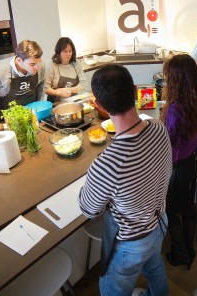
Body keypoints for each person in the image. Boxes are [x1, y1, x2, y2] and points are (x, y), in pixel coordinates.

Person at [79, 64, 172, 296]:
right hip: (160, 222)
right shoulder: (158, 127)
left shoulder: (107, 163)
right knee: (155, 269)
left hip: (132, 242)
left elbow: (89, 209)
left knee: (111, 290)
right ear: (134, 91)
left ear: (98, 105)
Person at [159, 55, 197, 268]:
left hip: (179, 166)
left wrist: (164, 170)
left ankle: (182, 253)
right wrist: (192, 139)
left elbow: (172, 148)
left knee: (169, 209)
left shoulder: (175, 109)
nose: (165, 81)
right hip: (195, 159)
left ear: (175, 80)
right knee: (187, 205)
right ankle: (189, 249)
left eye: (167, 77)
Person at [0, 40, 45, 133]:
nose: (37, 67)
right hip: (8, 120)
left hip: (34, 116)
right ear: (19, 60)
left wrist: (41, 106)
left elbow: (41, 84)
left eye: (38, 63)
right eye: (32, 64)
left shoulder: (39, 66)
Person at [44, 37, 86, 104]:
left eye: (70, 51)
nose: (68, 54)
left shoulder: (77, 64)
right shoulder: (52, 65)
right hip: (55, 102)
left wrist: (67, 90)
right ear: (58, 52)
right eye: (65, 51)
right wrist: (59, 92)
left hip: (73, 100)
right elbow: (45, 88)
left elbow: (83, 85)